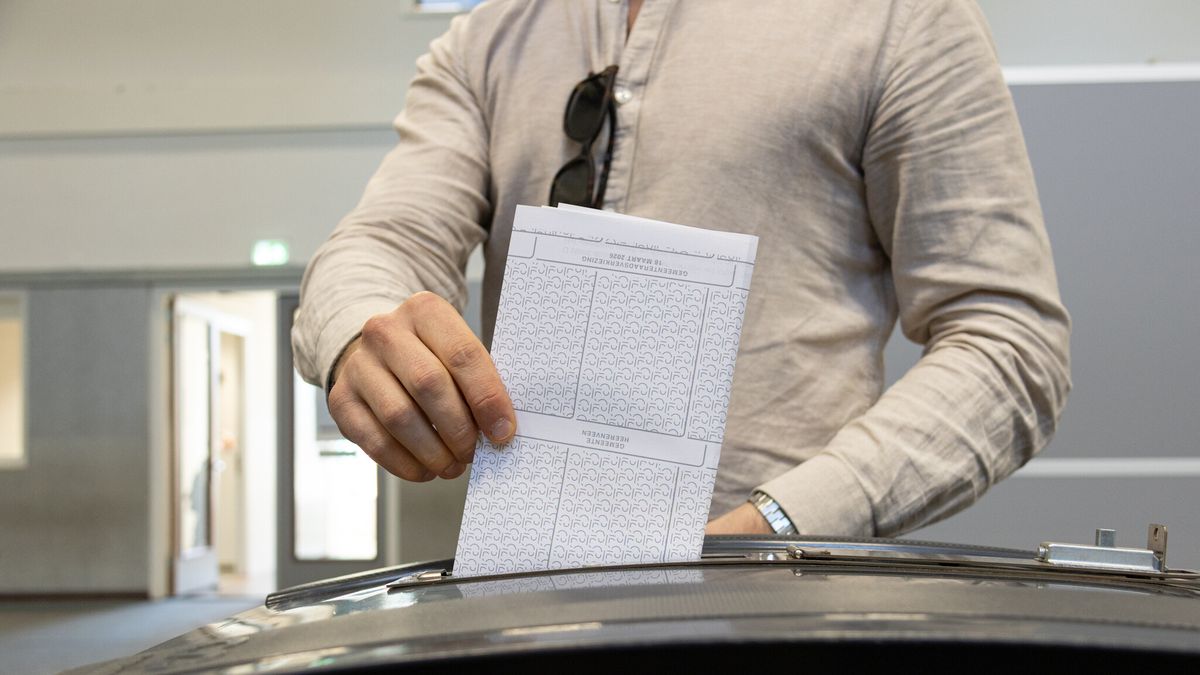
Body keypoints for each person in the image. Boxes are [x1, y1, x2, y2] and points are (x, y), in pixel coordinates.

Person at [293, 0, 1071, 536]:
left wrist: (784, 523)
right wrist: (360, 334)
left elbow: (1009, 343)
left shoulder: (896, 19)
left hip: (784, 615)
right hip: (532, 606)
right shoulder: (486, 42)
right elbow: (381, 241)